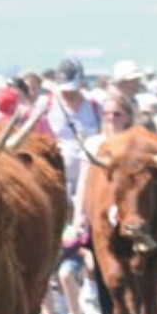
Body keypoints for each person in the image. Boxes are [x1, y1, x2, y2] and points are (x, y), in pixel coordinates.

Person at [44, 57, 103, 219]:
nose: (68, 94)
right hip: (58, 179)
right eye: (65, 90)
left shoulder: (95, 107)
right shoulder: (47, 105)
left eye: (72, 89)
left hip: (89, 179)